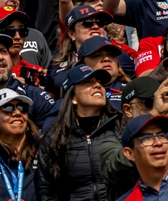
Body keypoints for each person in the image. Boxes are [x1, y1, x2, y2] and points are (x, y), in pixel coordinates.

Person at [38, 64, 119, 201]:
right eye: (88, 82)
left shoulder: (119, 127)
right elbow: (46, 189)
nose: (98, 86)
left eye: (100, 82)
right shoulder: (54, 137)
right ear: (73, 98)